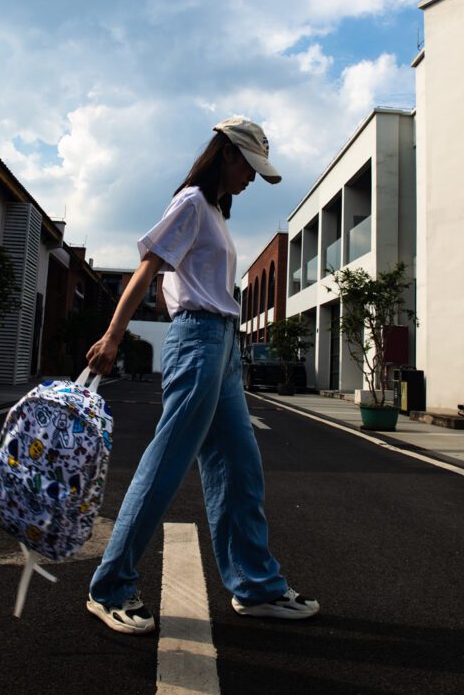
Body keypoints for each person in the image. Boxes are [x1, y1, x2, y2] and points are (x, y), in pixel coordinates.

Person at [85, 115, 320, 635]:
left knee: (240, 468)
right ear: (229, 154)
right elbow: (147, 269)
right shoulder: (192, 202)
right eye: (251, 167)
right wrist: (113, 336)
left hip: (224, 344)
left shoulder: (215, 212)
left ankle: (255, 588)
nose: (253, 178)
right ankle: (111, 587)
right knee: (167, 463)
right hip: (197, 340)